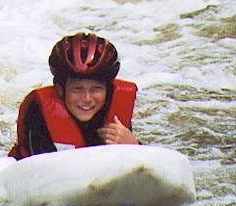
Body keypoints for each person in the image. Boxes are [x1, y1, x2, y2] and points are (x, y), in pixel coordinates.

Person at [8, 32, 139, 159]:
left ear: (107, 90)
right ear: (60, 90)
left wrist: (133, 146)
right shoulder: (39, 113)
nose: (87, 98)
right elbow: (41, 173)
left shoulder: (113, 107)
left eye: (96, 89)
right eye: (77, 89)